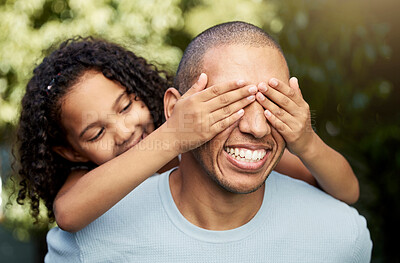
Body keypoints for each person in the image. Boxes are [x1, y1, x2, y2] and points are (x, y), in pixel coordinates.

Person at [43, 22, 371, 262]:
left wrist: (304, 139)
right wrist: (174, 136)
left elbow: (344, 189)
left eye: (127, 106)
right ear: (72, 152)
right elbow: (69, 215)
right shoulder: (95, 189)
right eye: (95, 133)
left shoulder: (222, 141)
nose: (126, 131)